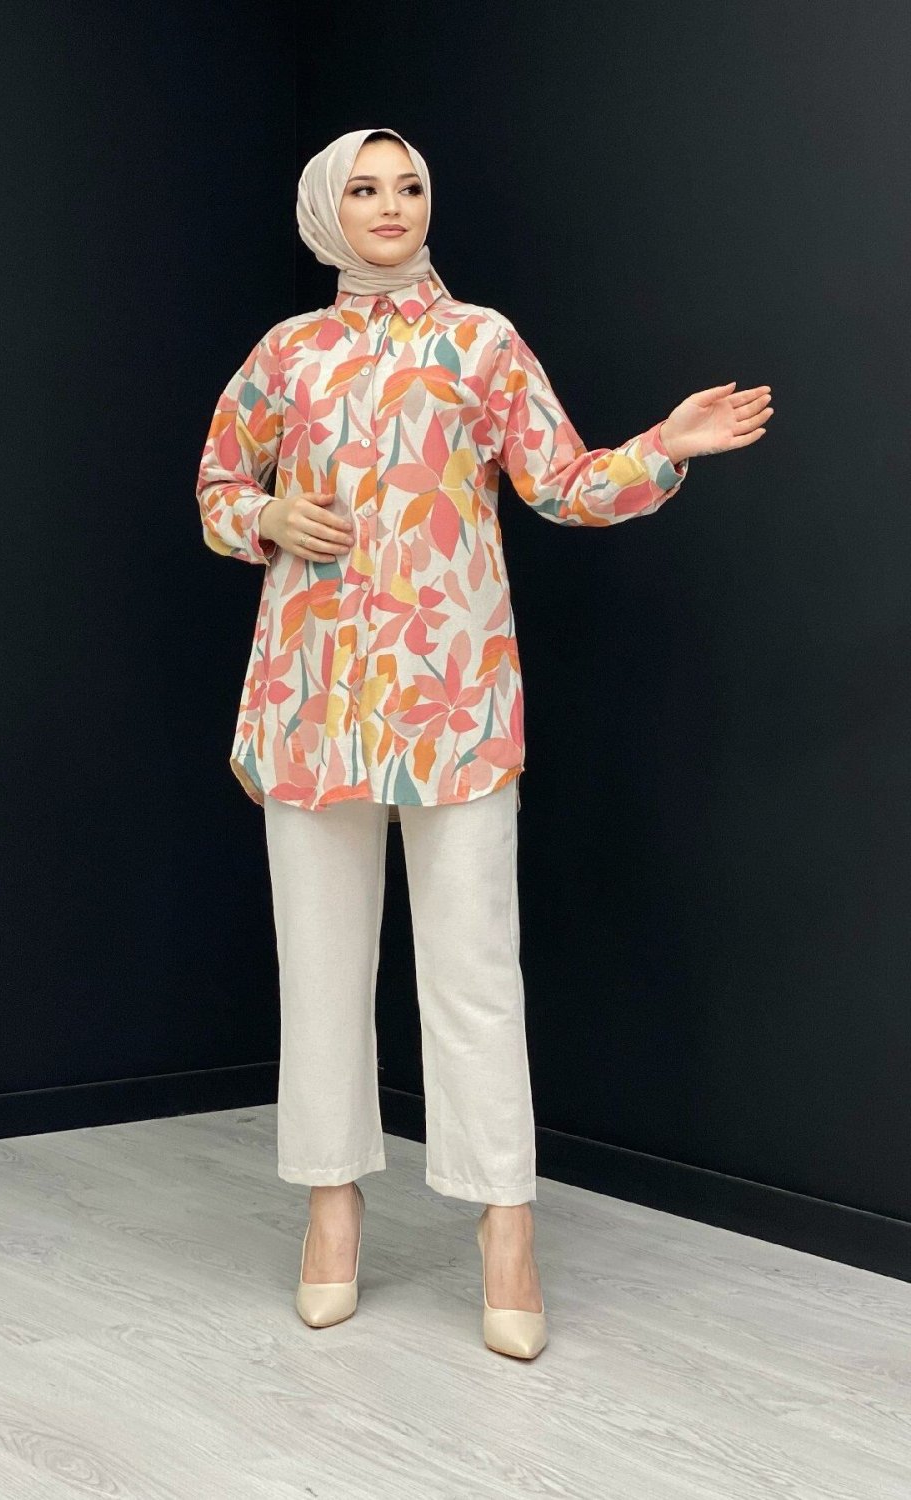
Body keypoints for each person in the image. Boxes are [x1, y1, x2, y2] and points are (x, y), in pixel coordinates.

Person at [195, 126, 773, 1359]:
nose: (390, 205)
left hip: (453, 701)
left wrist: (663, 448)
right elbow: (216, 491)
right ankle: (332, 1210)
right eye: (364, 188)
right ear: (325, 209)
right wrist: (266, 515)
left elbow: (562, 484)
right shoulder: (287, 353)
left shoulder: (483, 341)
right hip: (311, 700)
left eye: (408, 186)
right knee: (320, 971)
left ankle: (506, 1226)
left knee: (473, 972)